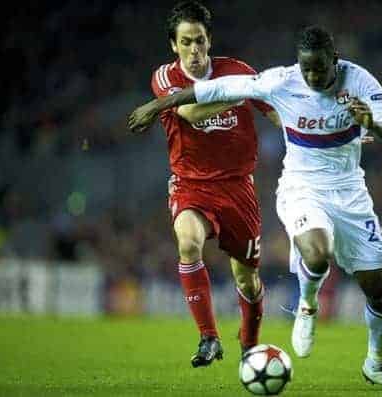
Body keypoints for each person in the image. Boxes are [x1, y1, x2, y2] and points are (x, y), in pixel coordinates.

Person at [129, 25, 382, 392]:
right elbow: (213, 89)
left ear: (335, 61)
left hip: (350, 193)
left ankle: (377, 365)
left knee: (379, 291)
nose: (312, 76)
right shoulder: (282, 81)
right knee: (317, 254)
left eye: (320, 69)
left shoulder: (359, 81)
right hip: (302, 187)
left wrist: (370, 121)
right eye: (306, 68)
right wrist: (155, 106)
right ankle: (307, 306)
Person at [142, 1, 280, 368]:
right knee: (188, 242)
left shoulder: (238, 71)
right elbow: (190, 112)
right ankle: (209, 338)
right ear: (173, 45)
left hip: (238, 188)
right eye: (185, 42)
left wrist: (319, 133)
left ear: (209, 40)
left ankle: (250, 346)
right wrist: (239, 92)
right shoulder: (166, 78)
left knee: (247, 280)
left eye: (200, 41)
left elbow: (275, 112)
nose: (194, 51)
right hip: (191, 185)